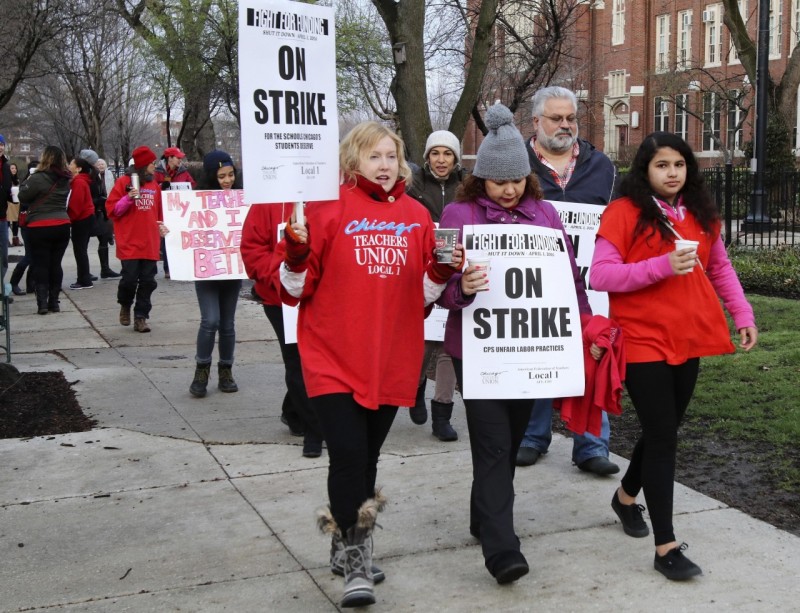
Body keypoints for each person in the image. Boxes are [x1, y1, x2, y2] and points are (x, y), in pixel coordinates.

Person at [279, 121, 462, 607]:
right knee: (347, 456)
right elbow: (295, 290)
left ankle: (343, 542)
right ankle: (358, 560)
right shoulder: (325, 208)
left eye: (390, 156)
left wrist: (442, 270)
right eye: (374, 156)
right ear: (352, 161)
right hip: (332, 356)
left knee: (368, 457)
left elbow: (422, 298)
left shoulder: (418, 215)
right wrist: (295, 255)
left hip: (390, 356)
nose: (384, 166)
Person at [590, 131, 757, 580]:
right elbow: (601, 275)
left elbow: (719, 267)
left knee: (663, 429)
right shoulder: (624, 213)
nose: (671, 173)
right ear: (645, 169)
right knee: (664, 435)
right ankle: (666, 547)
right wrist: (662, 266)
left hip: (690, 337)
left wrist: (742, 313)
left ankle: (625, 497)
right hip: (642, 339)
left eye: (679, 165)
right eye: (662, 165)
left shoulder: (701, 213)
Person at [437, 103, 592, 584]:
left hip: (532, 353)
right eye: (498, 181)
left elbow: (570, 278)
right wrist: (461, 288)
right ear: (480, 178)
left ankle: (482, 518)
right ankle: (503, 550)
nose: (508, 190)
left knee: (503, 446)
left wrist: (584, 327)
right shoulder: (455, 214)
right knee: (493, 445)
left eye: (516, 181)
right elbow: (437, 283)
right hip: (476, 353)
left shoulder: (546, 214)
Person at [517, 85, 620, 476]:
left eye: (571, 118)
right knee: (538, 354)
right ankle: (532, 436)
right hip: (535, 282)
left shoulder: (602, 166)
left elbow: (615, 222)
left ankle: (592, 445)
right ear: (536, 121)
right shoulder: (518, 163)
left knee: (593, 353)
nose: (565, 125)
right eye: (556, 118)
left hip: (589, 286)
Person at [240, 187, 325, 458]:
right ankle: (315, 431)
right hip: (280, 300)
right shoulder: (267, 203)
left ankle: (293, 410)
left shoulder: (331, 198)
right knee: (297, 361)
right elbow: (252, 252)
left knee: (318, 360)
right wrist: (280, 275)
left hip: (322, 297)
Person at [406, 130, 467, 441]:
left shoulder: (468, 186)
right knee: (424, 342)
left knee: (447, 345)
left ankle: (442, 413)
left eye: (447, 154)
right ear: (427, 157)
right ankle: (415, 389)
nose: (441, 160)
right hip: (422, 265)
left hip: (455, 263)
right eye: (435, 153)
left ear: (456, 158)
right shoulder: (411, 185)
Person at [187, 150, 242, 398]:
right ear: (211, 177)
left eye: (230, 175)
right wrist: (169, 230)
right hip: (207, 270)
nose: (227, 180)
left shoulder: (243, 200)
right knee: (210, 321)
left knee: (228, 324)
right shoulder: (196, 200)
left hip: (232, 270)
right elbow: (183, 227)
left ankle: (226, 369)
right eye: (221, 176)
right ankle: (202, 369)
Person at [106, 146, 167, 333]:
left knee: (148, 281)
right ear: (142, 164)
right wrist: (128, 198)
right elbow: (112, 211)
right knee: (130, 279)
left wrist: (162, 226)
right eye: (152, 163)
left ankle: (141, 316)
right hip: (129, 241)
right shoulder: (123, 182)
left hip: (149, 241)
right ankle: (125, 304)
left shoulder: (154, 185)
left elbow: (159, 211)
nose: (154, 166)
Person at [18, 146, 72, 314]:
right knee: (56, 264)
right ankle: (54, 302)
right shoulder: (66, 179)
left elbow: (22, 196)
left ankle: (42, 303)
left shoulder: (37, 178)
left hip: (40, 225)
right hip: (62, 224)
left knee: (41, 264)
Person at [154, 147, 195, 279]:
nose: (180, 160)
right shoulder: (158, 172)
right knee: (167, 239)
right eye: (178, 157)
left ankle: (181, 266)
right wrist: (162, 187)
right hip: (164, 211)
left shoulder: (183, 172)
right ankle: (168, 268)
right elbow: (152, 189)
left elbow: (193, 186)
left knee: (181, 238)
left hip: (181, 211)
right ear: (170, 158)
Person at [80, 150, 120, 279]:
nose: (97, 164)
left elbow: (100, 191)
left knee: (104, 239)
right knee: (82, 245)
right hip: (88, 212)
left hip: (99, 211)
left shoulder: (95, 174)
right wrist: (99, 200)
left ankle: (105, 269)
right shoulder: (84, 176)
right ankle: (84, 273)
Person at [67, 157, 98, 290]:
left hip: (81, 219)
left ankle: (84, 279)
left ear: (78, 168)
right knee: (81, 250)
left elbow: (76, 204)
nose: (69, 165)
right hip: (84, 217)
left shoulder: (79, 182)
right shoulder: (81, 181)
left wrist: (70, 219)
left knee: (80, 250)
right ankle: (83, 278)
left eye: (72, 163)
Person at [8, 163, 21, 247]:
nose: (14, 169)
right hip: (9, 202)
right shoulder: (7, 179)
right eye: (12, 168)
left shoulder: (17, 180)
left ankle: (15, 239)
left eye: (15, 168)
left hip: (17, 202)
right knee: (8, 222)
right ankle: (6, 240)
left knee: (16, 221)